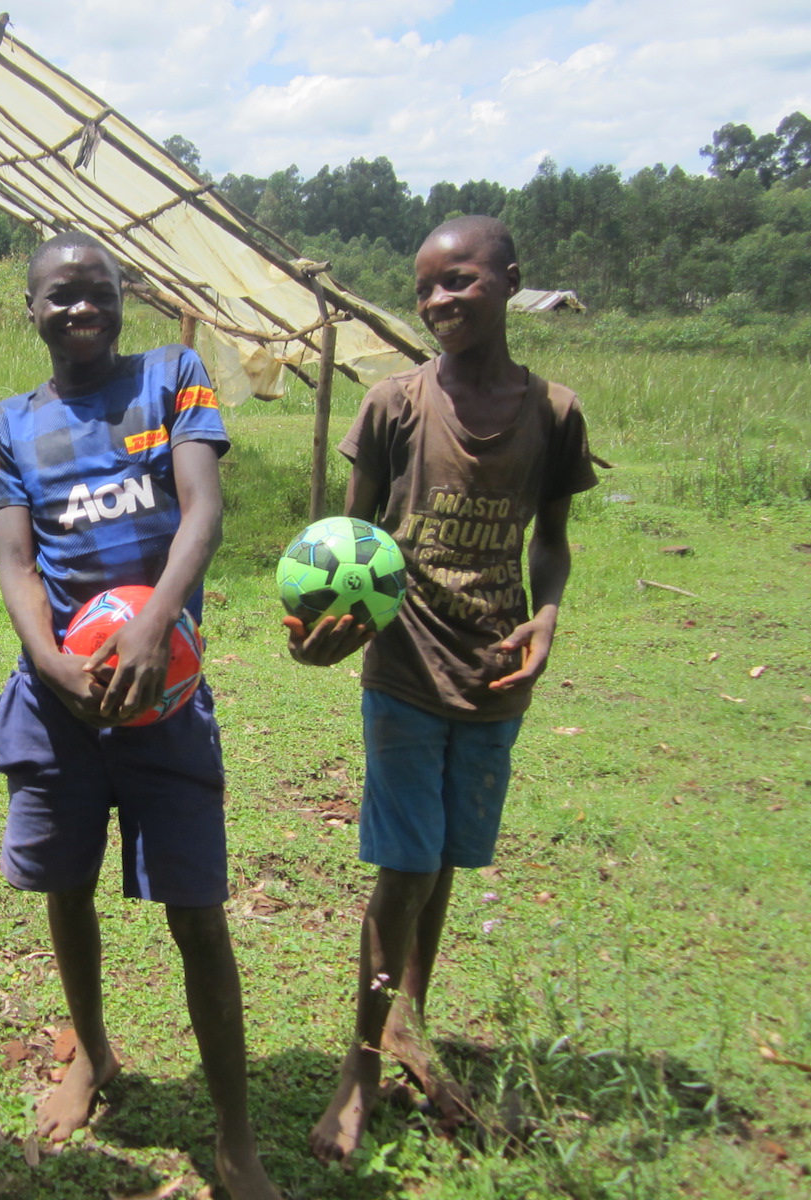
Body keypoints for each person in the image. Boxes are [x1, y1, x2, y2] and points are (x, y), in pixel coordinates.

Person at [0, 232, 282, 1200]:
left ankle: (234, 1136)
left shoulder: (171, 377)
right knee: (67, 887)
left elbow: (202, 511)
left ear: (122, 297)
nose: (81, 309)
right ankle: (93, 1054)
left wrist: (154, 625)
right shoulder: (7, 426)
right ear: (30, 309)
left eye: (98, 291)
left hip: (165, 696)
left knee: (197, 911)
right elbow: (16, 563)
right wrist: (52, 663)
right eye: (60, 295)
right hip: (59, 703)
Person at [289, 215, 598, 1164]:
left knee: (445, 861)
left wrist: (548, 614)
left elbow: (550, 541)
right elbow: (348, 547)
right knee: (405, 871)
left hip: (497, 675)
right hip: (406, 669)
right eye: (425, 286)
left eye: (458, 280)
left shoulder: (554, 412)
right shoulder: (394, 406)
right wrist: (321, 637)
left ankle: (408, 1022)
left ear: (510, 280)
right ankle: (359, 1069)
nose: (437, 300)